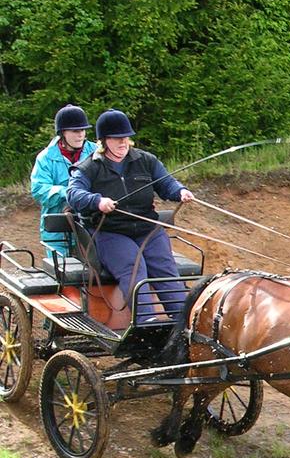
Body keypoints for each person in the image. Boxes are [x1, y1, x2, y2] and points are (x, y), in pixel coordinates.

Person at [67, 109, 195, 321]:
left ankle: (182, 322)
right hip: (110, 232)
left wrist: (180, 191)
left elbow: (166, 183)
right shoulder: (89, 167)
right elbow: (74, 194)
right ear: (103, 141)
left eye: (126, 138)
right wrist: (97, 201)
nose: (123, 143)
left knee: (165, 269)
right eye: (117, 139)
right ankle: (145, 323)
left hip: (147, 230)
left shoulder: (146, 161)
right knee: (133, 267)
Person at [30, 105, 98, 255]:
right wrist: (70, 193)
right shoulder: (46, 158)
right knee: (62, 274)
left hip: (92, 226)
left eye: (83, 130)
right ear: (62, 133)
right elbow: (39, 190)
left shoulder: (96, 153)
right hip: (58, 231)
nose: (80, 134)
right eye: (75, 131)